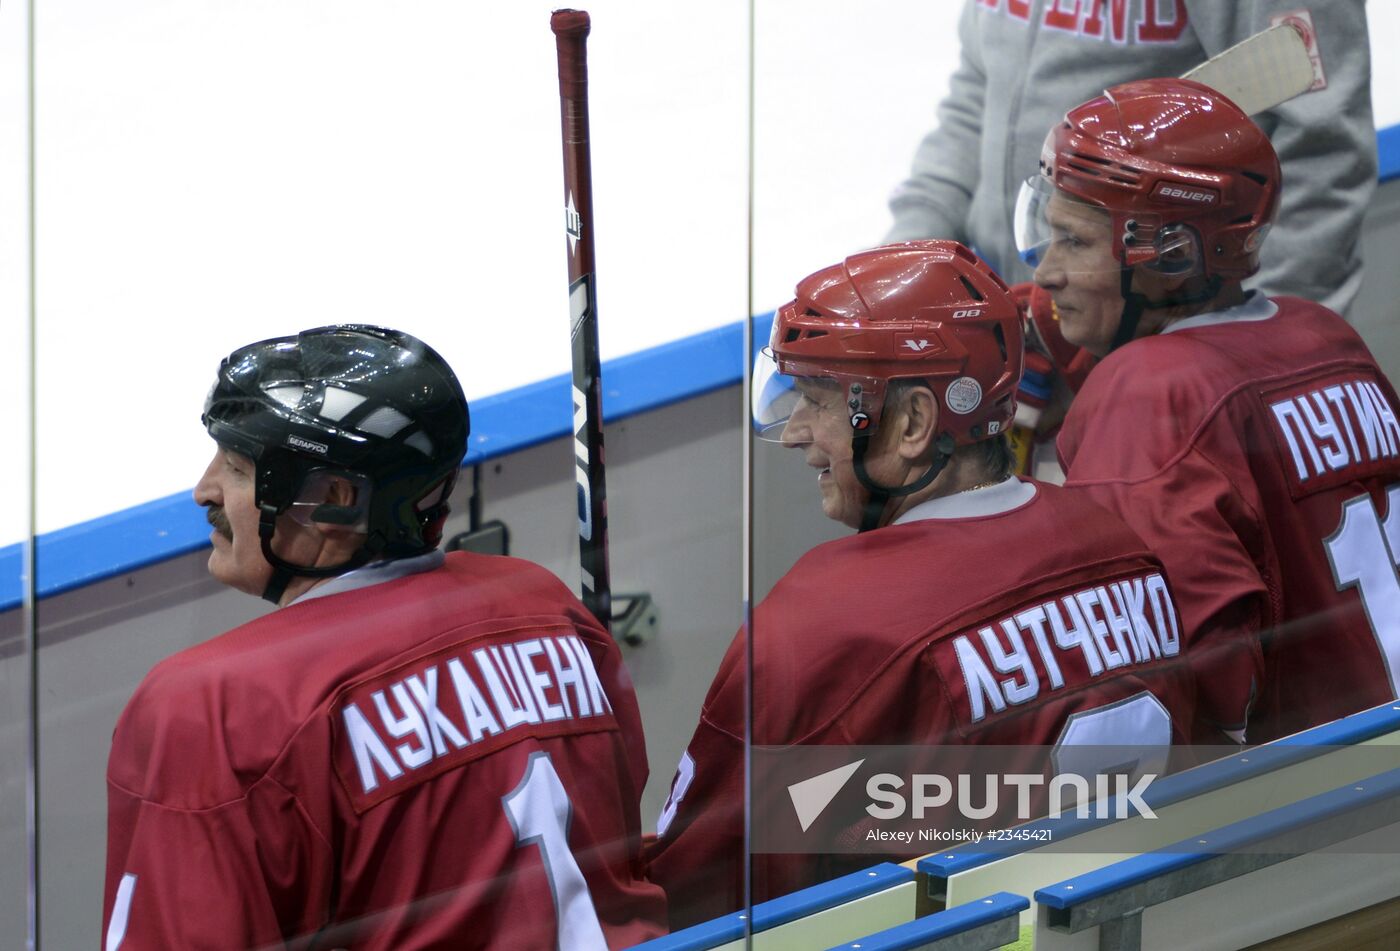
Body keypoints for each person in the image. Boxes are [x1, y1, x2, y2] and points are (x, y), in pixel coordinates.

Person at [646, 241, 1196, 929]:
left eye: (816, 400)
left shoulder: (822, 629)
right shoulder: (1120, 547)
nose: (795, 434)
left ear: (912, 423)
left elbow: (705, 892)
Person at [102, 325, 665, 949]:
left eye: (236, 468)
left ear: (333, 500)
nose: (204, 490)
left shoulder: (213, 707)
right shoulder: (544, 605)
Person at [1018, 77, 1400, 745]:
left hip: (1322, 789)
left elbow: (1201, 678)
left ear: (1172, 254)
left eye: (1073, 242)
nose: (1045, 273)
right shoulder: (1324, 334)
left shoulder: (1145, 396)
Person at [886, 0, 1375, 320]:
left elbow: (1323, 149)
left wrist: (1258, 352)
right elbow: (979, 93)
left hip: (1179, 352)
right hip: (1042, 328)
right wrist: (904, 261)